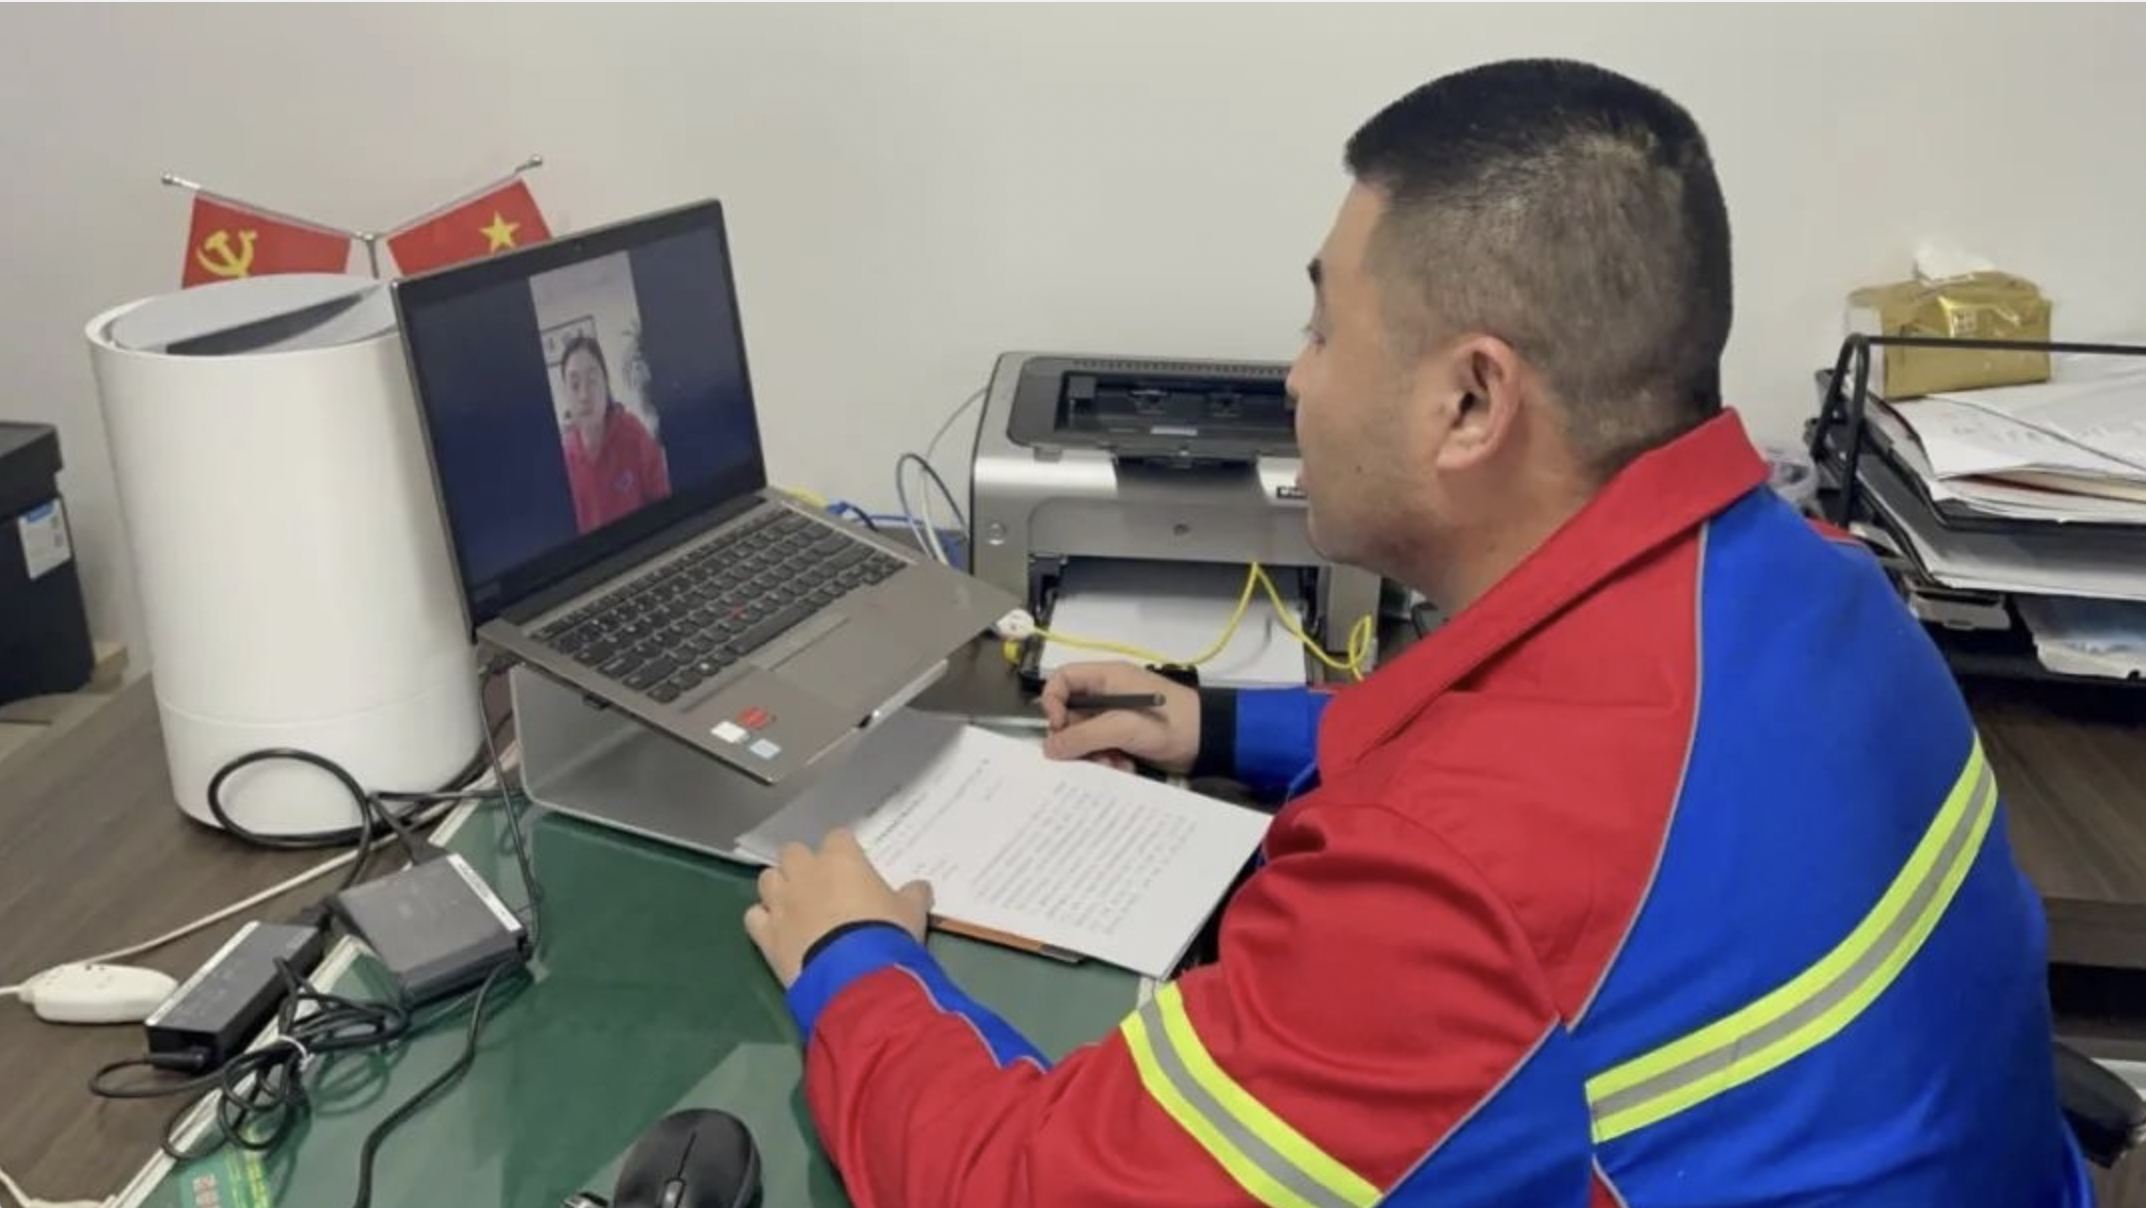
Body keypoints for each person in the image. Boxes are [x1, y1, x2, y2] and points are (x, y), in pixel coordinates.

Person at [742, 59, 2093, 1206]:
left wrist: (855, 957)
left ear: (1470, 403)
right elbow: (1606, 769)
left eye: (1323, 328)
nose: (1294, 377)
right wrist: (1224, 724)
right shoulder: (1822, 584)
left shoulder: (1453, 877)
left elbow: (1018, 1186)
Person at [558, 333, 669, 533]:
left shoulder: (633, 434)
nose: (584, 395)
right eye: (574, 385)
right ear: (565, 394)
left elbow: (665, 505)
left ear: (606, 384)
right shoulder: (562, 462)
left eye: (592, 380)